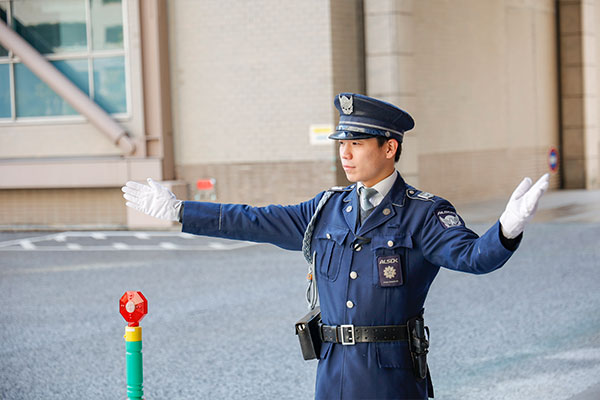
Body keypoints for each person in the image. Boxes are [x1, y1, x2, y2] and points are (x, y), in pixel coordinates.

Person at [122, 93, 549, 399]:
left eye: (357, 144)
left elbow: (473, 257)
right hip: (331, 374)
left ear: (390, 147)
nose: (345, 154)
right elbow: (255, 220)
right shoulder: (327, 208)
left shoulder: (423, 213)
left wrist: (507, 228)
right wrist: (181, 211)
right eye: (342, 144)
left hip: (391, 378)